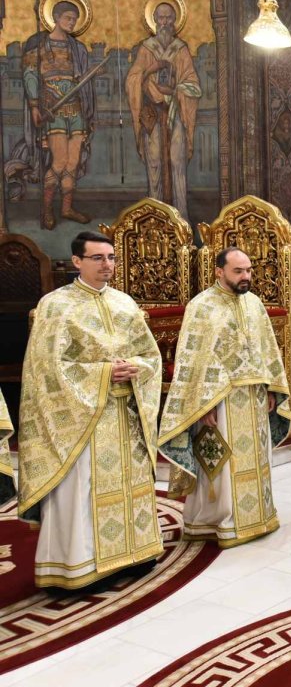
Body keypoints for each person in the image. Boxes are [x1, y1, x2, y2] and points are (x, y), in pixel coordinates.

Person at [18, 231, 163, 587]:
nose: (107, 265)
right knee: (83, 489)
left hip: (125, 412)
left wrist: (136, 368)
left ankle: (135, 554)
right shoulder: (57, 305)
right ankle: (83, 567)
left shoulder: (125, 304)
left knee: (131, 485)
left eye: (111, 257)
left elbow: (150, 354)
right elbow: (47, 369)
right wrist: (103, 373)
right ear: (77, 262)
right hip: (83, 420)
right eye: (98, 258)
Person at [160, 247, 291, 548]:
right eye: (238, 271)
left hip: (254, 397)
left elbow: (267, 349)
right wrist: (200, 405)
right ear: (219, 271)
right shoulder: (202, 306)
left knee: (256, 460)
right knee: (221, 463)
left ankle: (259, 515)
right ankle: (218, 521)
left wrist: (271, 387)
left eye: (248, 270)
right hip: (220, 400)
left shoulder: (255, 304)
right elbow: (193, 359)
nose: (246, 276)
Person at [20, 0, 95, 230]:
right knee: (60, 161)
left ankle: (67, 208)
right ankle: (47, 210)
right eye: (67, 18)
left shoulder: (77, 48)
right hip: (53, 112)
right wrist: (34, 106)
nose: (71, 22)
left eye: (74, 19)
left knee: (72, 163)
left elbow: (82, 79)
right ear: (56, 18)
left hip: (75, 109)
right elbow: (31, 75)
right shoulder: (40, 46)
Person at [125, 1, 202, 217]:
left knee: (177, 160)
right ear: (154, 20)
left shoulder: (181, 49)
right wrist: (152, 70)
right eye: (161, 18)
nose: (165, 22)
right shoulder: (147, 48)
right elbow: (132, 79)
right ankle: (155, 215)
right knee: (155, 161)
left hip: (175, 113)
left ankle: (180, 217)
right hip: (152, 114)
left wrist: (174, 89)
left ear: (175, 20)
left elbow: (193, 85)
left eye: (169, 18)